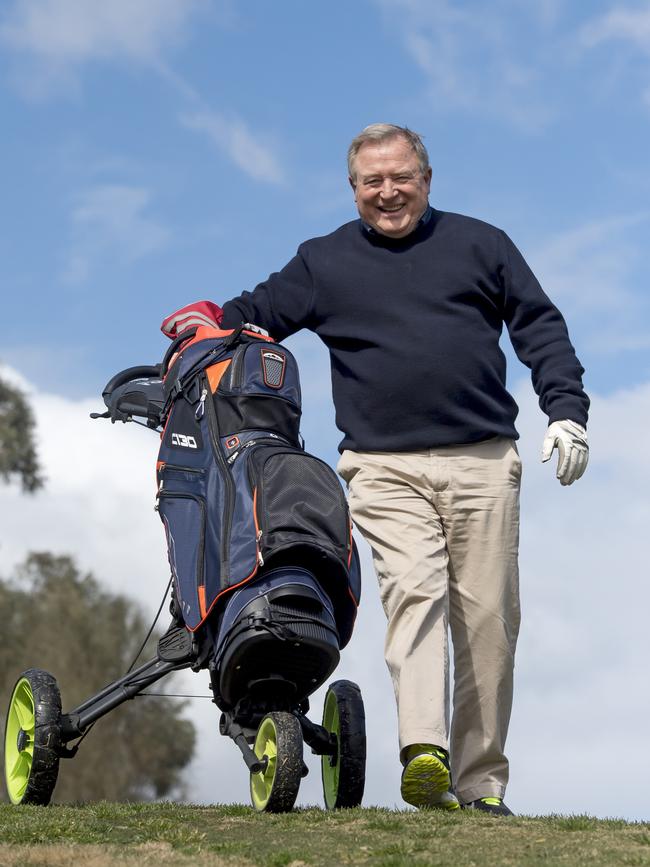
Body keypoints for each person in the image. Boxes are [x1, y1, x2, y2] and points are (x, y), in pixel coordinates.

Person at [212, 123, 589, 815]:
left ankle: (479, 786)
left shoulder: (482, 243)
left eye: (401, 177)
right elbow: (251, 315)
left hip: (483, 460)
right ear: (353, 189)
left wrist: (565, 408)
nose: (388, 192)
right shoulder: (323, 261)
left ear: (427, 178)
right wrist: (204, 324)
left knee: (489, 623)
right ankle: (424, 751)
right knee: (416, 591)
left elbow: (539, 325)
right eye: (371, 181)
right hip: (384, 467)